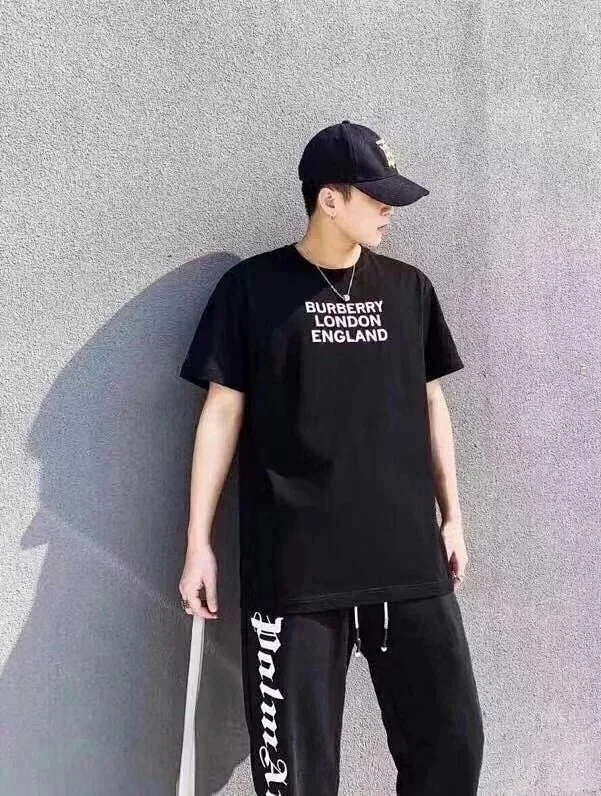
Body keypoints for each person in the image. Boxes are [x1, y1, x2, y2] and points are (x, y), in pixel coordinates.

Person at [177, 120, 484, 795]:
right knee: (296, 776)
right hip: (297, 567)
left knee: (453, 745)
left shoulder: (409, 290)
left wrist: (452, 516)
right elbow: (221, 415)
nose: (390, 212)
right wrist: (198, 543)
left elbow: (431, 404)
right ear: (329, 200)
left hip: (405, 557)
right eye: (377, 198)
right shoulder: (252, 291)